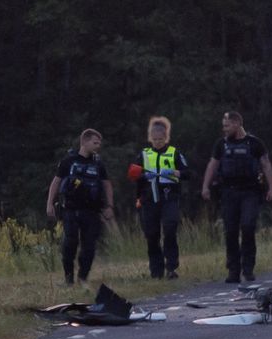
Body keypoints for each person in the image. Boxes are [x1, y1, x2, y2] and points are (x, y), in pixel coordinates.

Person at [201, 111, 272, 283]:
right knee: (231, 231)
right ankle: (233, 270)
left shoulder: (255, 143)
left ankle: (248, 268)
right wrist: (205, 186)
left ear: (236, 124)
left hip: (250, 191)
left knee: (248, 226)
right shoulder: (221, 144)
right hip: (229, 192)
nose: (224, 129)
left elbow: (266, 164)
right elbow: (212, 165)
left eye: (226, 125)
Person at [46, 129, 114, 286]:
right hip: (71, 210)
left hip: (92, 211)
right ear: (84, 142)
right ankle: (68, 279)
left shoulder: (98, 164)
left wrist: (109, 206)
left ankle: (83, 278)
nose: (98, 146)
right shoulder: (69, 161)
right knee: (70, 243)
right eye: (95, 143)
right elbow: (56, 182)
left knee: (89, 246)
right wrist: (50, 203)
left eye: (99, 143)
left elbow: (107, 184)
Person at [129, 117, 191, 280]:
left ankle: (171, 267)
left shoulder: (174, 153)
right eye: (154, 139)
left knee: (170, 228)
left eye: (160, 139)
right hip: (149, 198)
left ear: (166, 138)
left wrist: (173, 172)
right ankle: (156, 271)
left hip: (169, 196)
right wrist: (143, 175)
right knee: (152, 234)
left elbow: (188, 173)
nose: (157, 142)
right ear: (150, 138)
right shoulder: (143, 154)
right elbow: (132, 175)